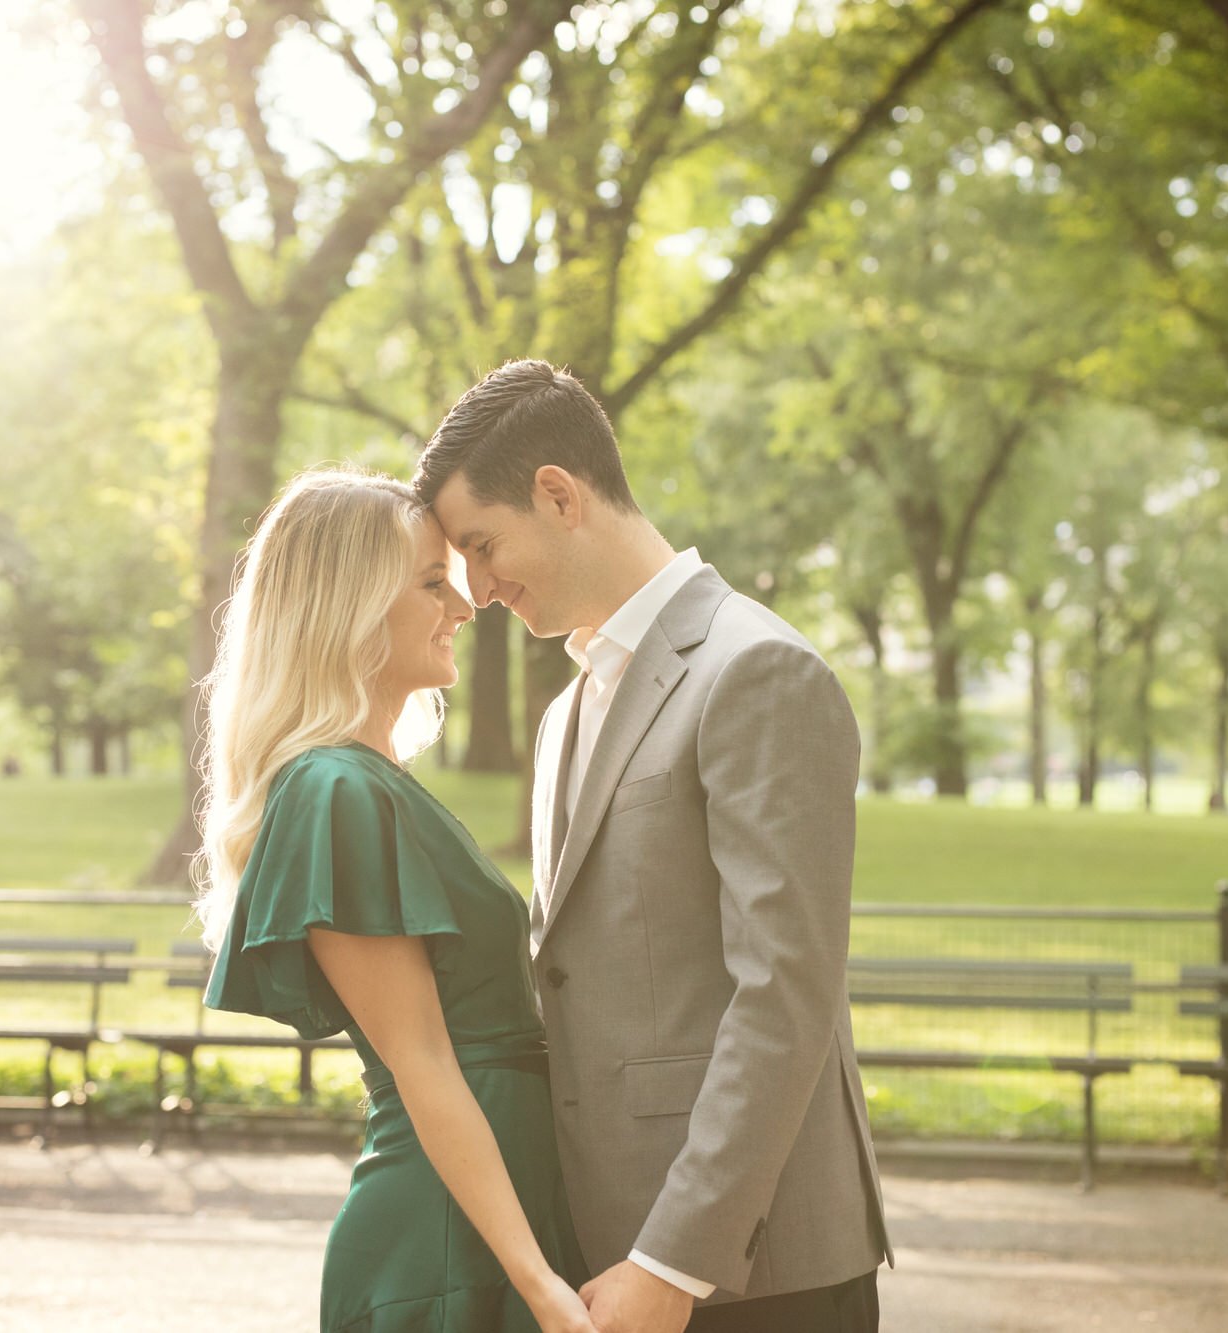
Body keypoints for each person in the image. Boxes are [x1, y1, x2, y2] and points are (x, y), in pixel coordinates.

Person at [416, 360, 893, 1333]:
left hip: (754, 1273)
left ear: (557, 494)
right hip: (606, 1256)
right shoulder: (563, 715)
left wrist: (673, 1261)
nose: (476, 584)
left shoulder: (754, 669)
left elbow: (784, 990)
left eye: (480, 542)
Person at [199, 467, 593, 1333]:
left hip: (495, 1217)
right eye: (429, 583)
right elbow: (422, 1063)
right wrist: (537, 1282)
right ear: (348, 605)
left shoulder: (373, 781)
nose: (463, 605)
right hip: (449, 1240)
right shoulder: (332, 789)